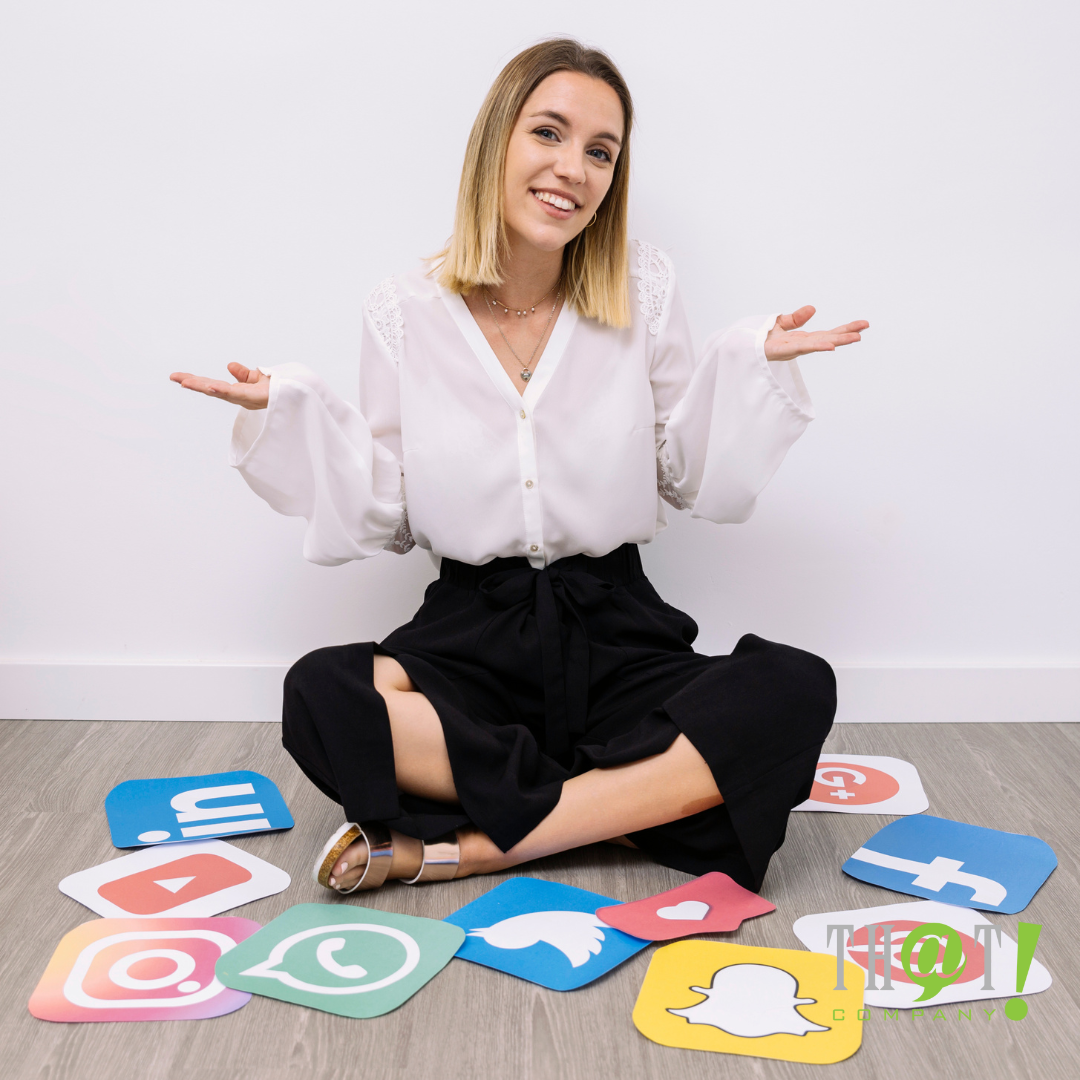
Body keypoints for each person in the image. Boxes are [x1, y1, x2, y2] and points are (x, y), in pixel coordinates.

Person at [171, 39, 867, 896]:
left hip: (618, 627)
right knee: (322, 693)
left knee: (795, 687)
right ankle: (622, 803)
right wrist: (296, 411)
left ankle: (477, 846)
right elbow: (389, 512)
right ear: (498, 139)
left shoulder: (642, 287)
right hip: (472, 634)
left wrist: (746, 361)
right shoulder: (403, 312)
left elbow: (683, 473)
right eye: (550, 133)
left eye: (601, 151)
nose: (573, 168)